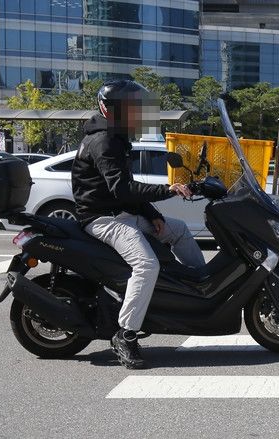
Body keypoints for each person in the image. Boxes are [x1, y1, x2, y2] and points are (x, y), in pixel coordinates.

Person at [72, 80, 206, 369]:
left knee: (179, 230)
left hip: (122, 212)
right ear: (111, 110)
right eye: (131, 109)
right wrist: (167, 190)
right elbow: (121, 189)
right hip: (102, 219)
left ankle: (202, 292)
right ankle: (126, 334)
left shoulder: (117, 137)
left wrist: (152, 214)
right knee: (146, 265)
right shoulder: (102, 141)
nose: (136, 115)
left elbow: (124, 190)